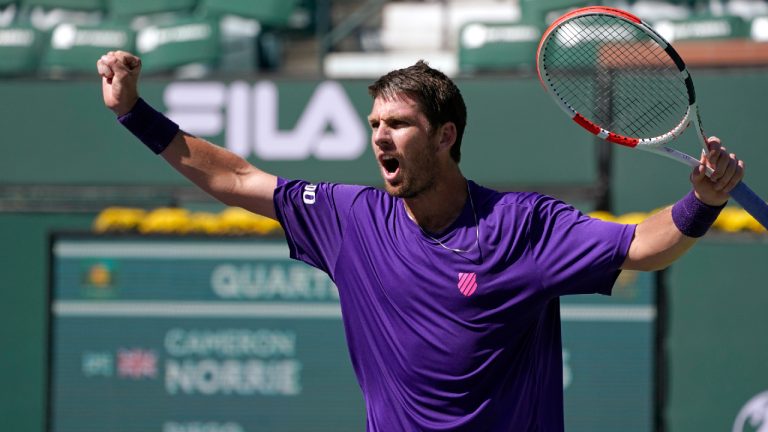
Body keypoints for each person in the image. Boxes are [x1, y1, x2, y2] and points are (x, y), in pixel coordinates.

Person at [97, 51, 744, 431]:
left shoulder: (523, 225)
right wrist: (133, 113)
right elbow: (235, 176)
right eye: (374, 122)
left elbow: (640, 247)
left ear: (445, 136)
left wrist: (702, 202)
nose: (379, 135)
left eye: (399, 123)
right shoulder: (348, 218)